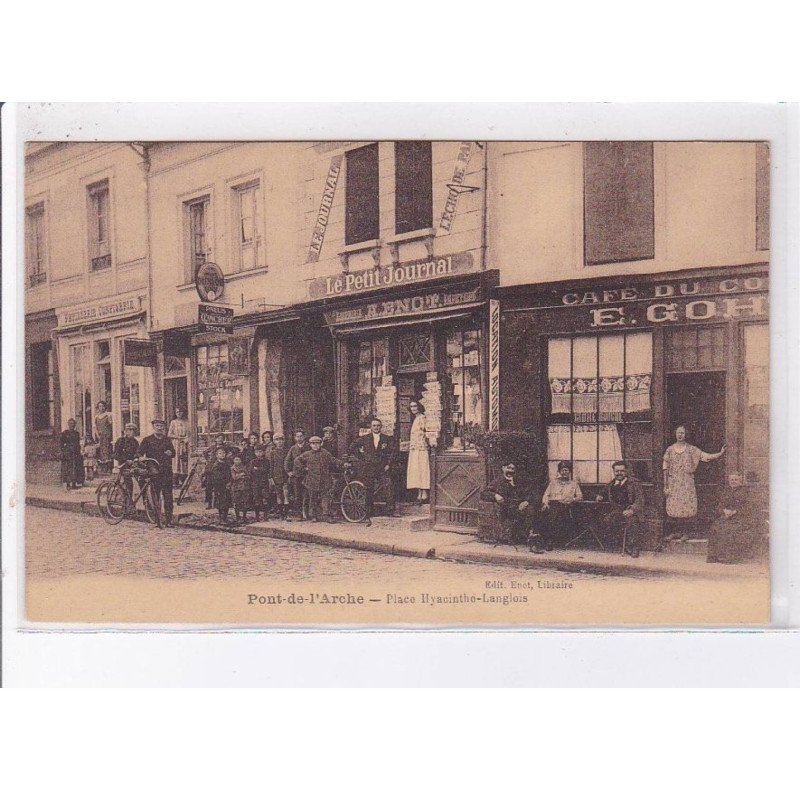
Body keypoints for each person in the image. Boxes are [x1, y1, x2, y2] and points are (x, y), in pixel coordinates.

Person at [663, 425, 726, 542]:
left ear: (686, 434)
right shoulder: (670, 450)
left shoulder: (691, 449)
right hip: (674, 483)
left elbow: (704, 456)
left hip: (687, 483)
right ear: (675, 434)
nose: (680, 435)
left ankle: (686, 533)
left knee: (686, 507)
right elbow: (665, 468)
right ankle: (676, 532)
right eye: (678, 433)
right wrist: (665, 486)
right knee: (674, 507)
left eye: (682, 433)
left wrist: (719, 454)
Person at [707, 473, 768, 564]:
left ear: (740, 481)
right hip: (728, 516)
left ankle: (731, 557)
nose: (733, 482)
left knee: (731, 529)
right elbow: (720, 506)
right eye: (732, 480)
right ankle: (715, 556)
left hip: (743, 517)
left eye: (736, 480)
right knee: (715, 527)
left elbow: (750, 506)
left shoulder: (746, 491)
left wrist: (736, 511)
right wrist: (724, 511)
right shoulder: (726, 491)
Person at [480, 460, 540, 550]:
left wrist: (526, 501)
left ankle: (533, 539)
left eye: (513, 469)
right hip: (507, 508)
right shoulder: (497, 482)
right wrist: (495, 495)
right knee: (529, 513)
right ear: (503, 468)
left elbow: (532, 493)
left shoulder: (520, 481)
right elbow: (484, 493)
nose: (511, 471)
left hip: (522, 505)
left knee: (533, 510)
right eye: (508, 468)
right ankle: (531, 539)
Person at [348, 418, 397, 526]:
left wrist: (388, 464)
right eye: (374, 426)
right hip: (369, 467)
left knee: (388, 486)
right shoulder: (364, 438)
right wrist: (362, 457)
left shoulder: (386, 438)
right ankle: (368, 514)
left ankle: (390, 510)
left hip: (382, 467)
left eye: (378, 425)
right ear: (371, 427)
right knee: (368, 490)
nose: (376, 427)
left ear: (381, 426)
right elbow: (352, 447)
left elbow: (393, 452)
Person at [595, 461, 645, 558]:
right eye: (617, 471)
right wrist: (600, 495)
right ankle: (621, 544)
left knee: (632, 522)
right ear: (614, 472)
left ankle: (633, 547)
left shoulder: (634, 483)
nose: (619, 473)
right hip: (616, 511)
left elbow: (640, 500)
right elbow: (603, 491)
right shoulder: (611, 484)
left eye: (622, 471)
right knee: (606, 521)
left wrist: (632, 510)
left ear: (626, 471)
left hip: (629, 510)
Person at [293, 436, 345, 523]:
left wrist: (343, 464)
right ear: (310, 445)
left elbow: (333, 460)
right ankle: (313, 516)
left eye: (317, 443)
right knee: (312, 498)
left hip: (324, 480)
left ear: (321, 444)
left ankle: (326, 515)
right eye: (313, 444)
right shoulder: (307, 454)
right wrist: (303, 468)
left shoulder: (325, 453)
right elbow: (296, 461)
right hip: (311, 480)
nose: (315, 446)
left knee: (325, 498)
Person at [137, 419, 176, 527]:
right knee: (156, 496)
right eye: (157, 425)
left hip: (166, 470)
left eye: (161, 426)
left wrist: (170, 452)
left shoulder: (167, 440)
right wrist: (140, 457)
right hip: (154, 471)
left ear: (164, 427)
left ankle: (169, 520)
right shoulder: (147, 440)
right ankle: (158, 520)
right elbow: (139, 452)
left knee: (168, 496)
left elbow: (173, 453)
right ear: (153, 427)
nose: (159, 428)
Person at [538, 460, 583, 549]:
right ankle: (543, 540)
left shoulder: (574, 484)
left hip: (566, 507)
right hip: (552, 506)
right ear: (559, 472)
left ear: (570, 472)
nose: (564, 472)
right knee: (546, 512)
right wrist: (545, 503)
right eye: (562, 470)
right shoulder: (553, 483)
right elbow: (546, 495)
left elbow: (580, 497)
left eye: (566, 470)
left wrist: (572, 499)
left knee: (554, 513)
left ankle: (549, 541)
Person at [406, 400, 430, 504]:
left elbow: (427, 432)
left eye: (415, 406)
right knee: (416, 470)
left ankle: (424, 493)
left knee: (422, 469)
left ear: (419, 406)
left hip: (421, 448)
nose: (413, 408)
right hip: (415, 449)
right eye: (411, 407)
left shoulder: (422, 418)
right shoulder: (416, 419)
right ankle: (419, 493)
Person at [284, 429, 310, 520]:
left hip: (307, 474)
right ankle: (299, 514)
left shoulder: (309, 446)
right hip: (297, 475)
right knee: (297, 494)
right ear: (295, 438)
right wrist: (288, 471)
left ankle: (307, 513)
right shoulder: (293, 448)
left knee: (307, 494)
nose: (299, 438)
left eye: (301, 436)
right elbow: (287, 460)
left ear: (304, 437)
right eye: (297, 436)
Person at [113, 422, 140, 504]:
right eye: (129, 430)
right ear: (125, 431)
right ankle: (127, 501)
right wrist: (125, 460)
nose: (131, 432)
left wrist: (137, 458)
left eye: (133, 431)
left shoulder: (135, 442)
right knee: (128, 482)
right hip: (123, 464)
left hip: (132, 464)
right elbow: (116, 455)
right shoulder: (121, 441)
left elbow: (137, 452)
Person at [247, 445, 273, 521]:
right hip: (255, 482)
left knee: (265, 498)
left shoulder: (266, 461)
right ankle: (257, 516)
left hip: (264, 482)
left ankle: (265, 515)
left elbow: (266, 470)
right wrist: (257, 470)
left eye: (260, 451)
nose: (259, 453)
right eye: (257, 452)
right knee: (256, 499)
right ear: (255, 453)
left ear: (264, 452)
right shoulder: (253, 461)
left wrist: (257, 469)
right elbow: (251, 471)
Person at [208, 446, 232, 524]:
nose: (222, 455)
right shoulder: (216, 465)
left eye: (223, 453)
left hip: (227, 485)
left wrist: (229, 482)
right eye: (220, 453)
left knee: (227, 501)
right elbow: (217, 476)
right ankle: (221, 518)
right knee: (220, 501)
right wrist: (224, 482)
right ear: (217, 455)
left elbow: (229, 474)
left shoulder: (227, 464)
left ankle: (225, 517)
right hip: (219, 486)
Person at [60, 418, 84, 490]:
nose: (72, 425)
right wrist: (63, 451)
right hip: (68, 453)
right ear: (68, 424)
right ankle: (67, 483)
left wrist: (79, 452)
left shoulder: (77, 433)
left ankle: (74, 483)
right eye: (70, 424)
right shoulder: (65, 433)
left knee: (75, 468)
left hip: (75, 452)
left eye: (73, 424)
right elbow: (61, 443)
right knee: (68, 468)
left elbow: (78, 443)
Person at [269, 433, 290, 519]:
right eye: (277, 440)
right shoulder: (273, 452)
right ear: (274, 441)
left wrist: (289, 474)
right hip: (276, 475)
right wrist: (270, 477)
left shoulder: (287, 451)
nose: (279, 442)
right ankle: (281, 513)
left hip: (285, 474)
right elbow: (271, 465)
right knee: (278, 494)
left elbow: (289, 463)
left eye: (281, 439)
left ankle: (286, 513)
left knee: (286, 493)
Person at [168, 408, 189, 479]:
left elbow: (190, 433)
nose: (179, 413)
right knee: (176, 459)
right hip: (176, 443)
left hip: (184, 442)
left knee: (183, 458)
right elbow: (169, 434)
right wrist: (177, 437)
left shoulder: (186, 422)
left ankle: (183, 476)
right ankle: (176, 477)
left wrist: (186, 438)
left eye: (180, 412)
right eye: (177, 412)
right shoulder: (173, 422)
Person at [94, 401, 113, 474]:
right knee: (100, 452)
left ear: (105, 407)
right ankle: (101, 469)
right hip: (100, 436)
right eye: (99, 406)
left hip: (107, 436)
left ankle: (108, 468)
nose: (101, 408)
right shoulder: (97, 417)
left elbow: (111, 426)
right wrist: (97, 435)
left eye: (102, 406)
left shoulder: (108, 415)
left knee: (107, 451)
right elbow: (95, 427)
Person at [230, 455, 250, 523]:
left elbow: (248, 475)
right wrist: (241, 475)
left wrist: (244, 476)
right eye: (236, 460)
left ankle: (244, 516)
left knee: (244, 502)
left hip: (244, 487)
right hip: (236, 487)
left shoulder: (244, 467)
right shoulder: (232, 468)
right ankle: (238, 517)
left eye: (238, 459)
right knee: (237, 502)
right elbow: (234, 477)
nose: (237, 461)